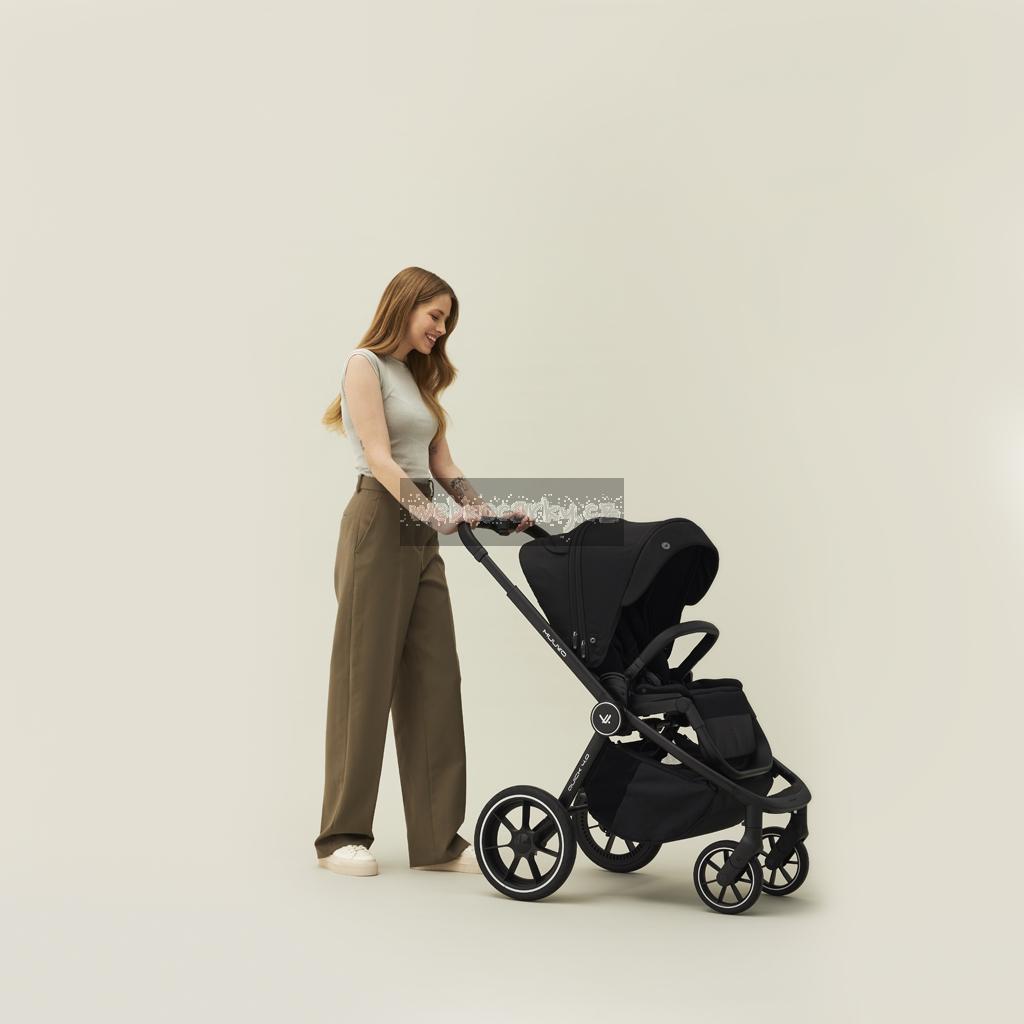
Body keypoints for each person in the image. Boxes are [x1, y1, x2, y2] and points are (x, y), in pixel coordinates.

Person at [315, 266, 533, 877]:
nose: (441, 329)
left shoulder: (415, 377)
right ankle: (340, 836)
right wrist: (431, 511)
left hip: (420, 531)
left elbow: (441, 461)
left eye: (446, 321)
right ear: (404, 305)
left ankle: (437, 841)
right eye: (435, 315)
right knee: (364, 679)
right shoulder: (364, 365)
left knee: (435, 678)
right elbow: (381, 457)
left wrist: (484, 510)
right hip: (379, 520)